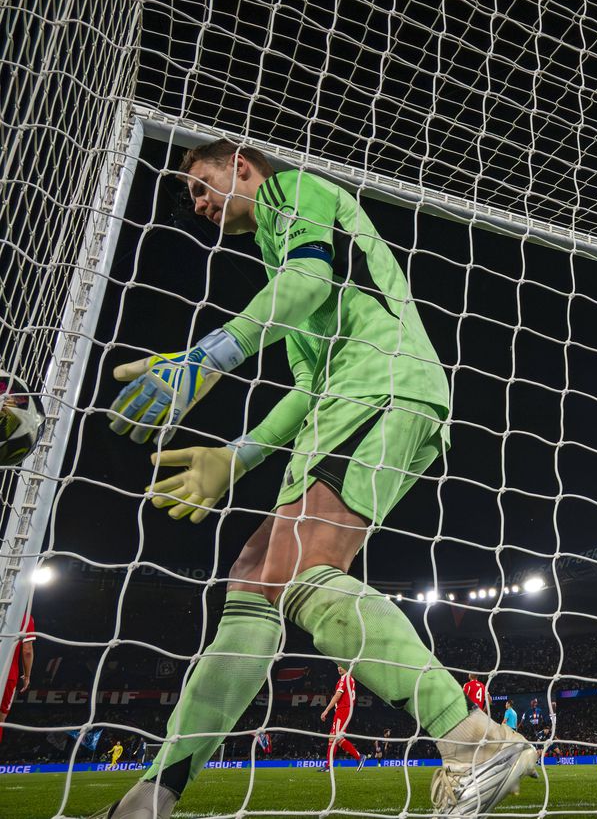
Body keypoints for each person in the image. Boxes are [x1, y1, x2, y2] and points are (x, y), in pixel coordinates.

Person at [97, 140, 537, 818]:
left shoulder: (295, 192)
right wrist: (237, 456)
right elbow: (308, 384)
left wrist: (206, 358)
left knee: (304, 572)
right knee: (255, 579)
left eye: (203, 184)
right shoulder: (279, 254)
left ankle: (473, 739)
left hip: (382, 385)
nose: (199, 203)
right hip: (347, 400)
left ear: (242, 165)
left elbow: (305, 285)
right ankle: (151, 796)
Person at [319, 666, 366, 772]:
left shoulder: (345, 678)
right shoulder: (348, 678)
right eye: (338, 666)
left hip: (343, 709)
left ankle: (359, 756)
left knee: (337, 737)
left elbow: (337, 695)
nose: (339, 668)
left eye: (342, 666)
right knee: (332, 738)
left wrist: (326, 710)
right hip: (343, 709)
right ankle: (328, 766)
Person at [0, 612, 35, 743]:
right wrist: (27, 676)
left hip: (8, 673)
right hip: (7, 674)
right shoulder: (24, 617)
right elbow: (27, 650)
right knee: (0, 719)